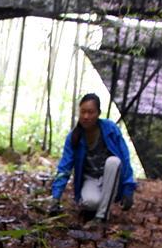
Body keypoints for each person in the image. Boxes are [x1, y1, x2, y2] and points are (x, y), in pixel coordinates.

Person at [50, 93, 136, 223]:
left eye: (90, 112)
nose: (86, 116)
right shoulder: (74, 137)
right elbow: (65, 167)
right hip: (90, 179)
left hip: (111, 178)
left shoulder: (110, 129)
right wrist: (56, 197)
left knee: (114, 161)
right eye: (83, 112)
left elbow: (125, 158)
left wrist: (128, 189)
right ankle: (101, 205)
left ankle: (101, 217)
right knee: (89, 203)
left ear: (98, 113)